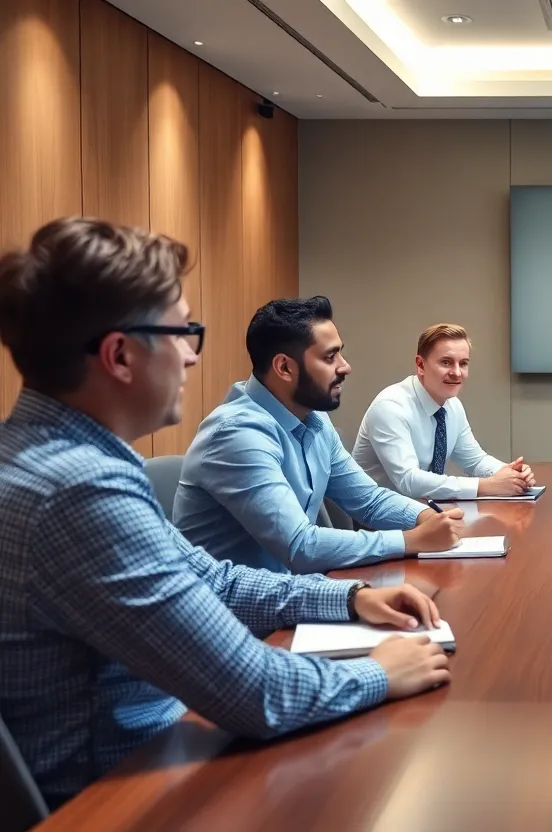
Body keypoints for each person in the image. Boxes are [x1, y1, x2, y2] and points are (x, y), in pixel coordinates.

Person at [0, 219, 452, 808]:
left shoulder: (57, 457)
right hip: (118, 793)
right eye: (183, 332)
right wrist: (380, 672)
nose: (192, 356)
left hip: (154, 747)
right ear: (119, 355)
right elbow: (251, 691)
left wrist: (348, 597)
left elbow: (209, 577)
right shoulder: (80, 490)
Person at [174, 297, 464, 574]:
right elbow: (300, 546)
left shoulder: (314, 420)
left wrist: (425, 518)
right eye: (330, 357)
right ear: (285, 367)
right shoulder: (237, 434)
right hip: (235, 616)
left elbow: (368, 500)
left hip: (292, 597)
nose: (344, 366)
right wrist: (411, 540)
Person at [352, 324, 534, 500]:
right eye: (446, 362)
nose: (456, 373)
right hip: (377, 520)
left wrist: (511, 474)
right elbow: (408, 481)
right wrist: (486, 486)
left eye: (463, 364)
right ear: (420, 365)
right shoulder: (390, 407)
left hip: (425, 509)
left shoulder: (452, 405)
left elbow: (475, 461)